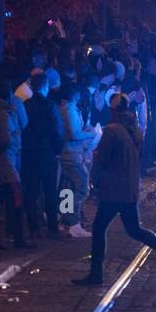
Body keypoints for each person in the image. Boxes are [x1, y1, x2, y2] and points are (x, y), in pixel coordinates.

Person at [72, 93, 156, 287]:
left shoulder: (112, 131)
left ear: (112, 109)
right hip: (130, 187)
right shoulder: (135, 130)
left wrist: (96, 178)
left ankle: (96, 273)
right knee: (134, 229)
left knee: (99, 228)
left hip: (114, 188)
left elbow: (103, 159)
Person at [0, 75, 34, 251]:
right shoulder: (3, 114)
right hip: (5, 164)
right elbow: (6, 139)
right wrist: (11, 140)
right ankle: (19, 237)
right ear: (9, 95)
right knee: (17, 199)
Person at [21, 69, 65, 240]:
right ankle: (52, 228)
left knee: (31, 191)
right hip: (47, 154)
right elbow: (57, 130)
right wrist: (57, 150)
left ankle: (33, 227)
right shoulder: (50, 106)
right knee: (50, 191)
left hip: (29, 153)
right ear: (45, 86)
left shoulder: (25, 105)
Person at [57, 82, 97, 236]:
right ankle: (67, 218)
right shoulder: (69, 111)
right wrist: (91, 134)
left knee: (67, 189)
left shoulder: (65, 109)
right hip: (72, 154)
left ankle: (70, 222)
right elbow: (74, 134)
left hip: (68, 154)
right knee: (82, 187)